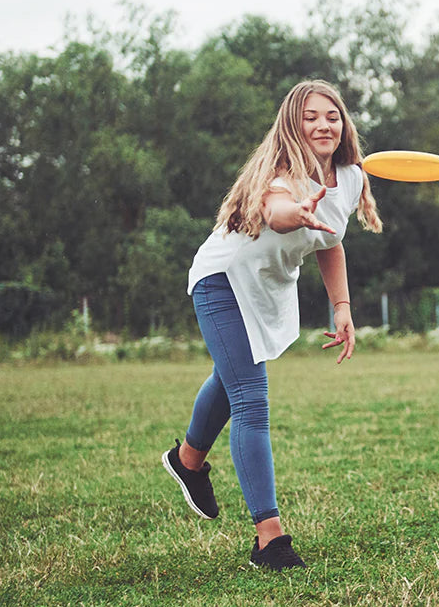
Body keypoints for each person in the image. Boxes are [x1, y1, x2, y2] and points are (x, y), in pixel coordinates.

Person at [162, 79, 383, 571]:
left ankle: (187, 461)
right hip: (222, 280)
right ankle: (270, 540)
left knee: (231, 375)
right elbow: (276, 208)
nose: (323, 124)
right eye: (310, 116)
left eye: (332, 115)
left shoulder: (348, 177)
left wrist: (342, 308)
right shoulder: (282, 172)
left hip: (267, 286)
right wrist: (295, 213)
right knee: (249, 397)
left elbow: (332, 243)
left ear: (343, 122)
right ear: (292, 124)